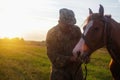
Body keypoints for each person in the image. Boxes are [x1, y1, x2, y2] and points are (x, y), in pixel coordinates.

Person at [46, 8, 83, 80]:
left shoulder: (77, 30)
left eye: (71, 24)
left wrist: (85, 55)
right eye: (67, 24)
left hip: (77, 73)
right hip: (59, 74)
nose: (70, 27)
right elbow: (52, 56)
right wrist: (70, 59)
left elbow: (82, 46)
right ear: (60, 22)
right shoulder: (52, 33)